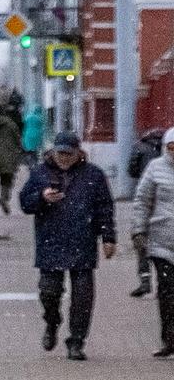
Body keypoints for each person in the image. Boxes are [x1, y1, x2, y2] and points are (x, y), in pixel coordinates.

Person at [18, 132, 116, 359]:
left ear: (78, 153)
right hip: (51, 242)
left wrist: (108, 237)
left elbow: (104, 208)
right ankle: (52, 322)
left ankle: (76, 341)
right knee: (49, 292)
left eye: (68, 153)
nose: (63, 157)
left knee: (83, 298)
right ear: (53, 151)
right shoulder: (40, 173)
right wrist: (42, 197)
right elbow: (25, 203)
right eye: (59, 152)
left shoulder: (93, 175)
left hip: (83, 242)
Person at [134, 141, 174, 357]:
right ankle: (169, 339)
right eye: (172, 147)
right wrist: (138, 230)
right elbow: (142, 201)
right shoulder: (156, 168)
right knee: (167, 291)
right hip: (162, 243)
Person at [130, 129, 167, 299]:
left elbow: (131, 170)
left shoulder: (140, 146)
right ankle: (164, 284)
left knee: (142, 243)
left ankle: (145, 281)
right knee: (164, 247)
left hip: (148, 198)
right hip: (164, 204)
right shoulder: (165, 148)